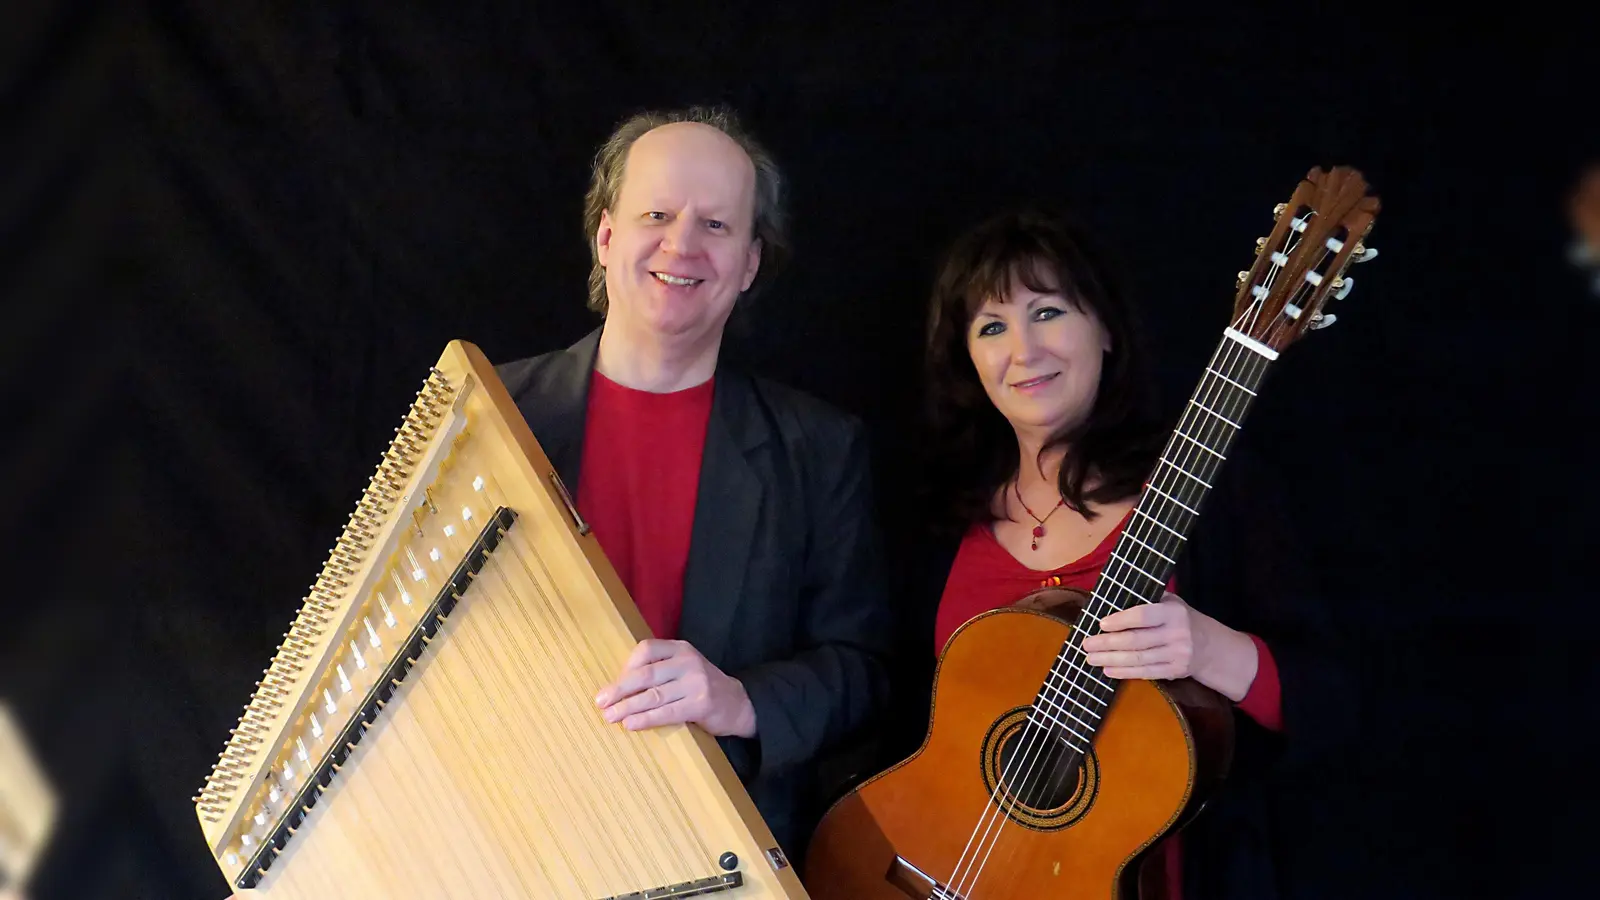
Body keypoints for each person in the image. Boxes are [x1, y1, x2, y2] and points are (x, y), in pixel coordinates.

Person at [889, 208, 1353, 900]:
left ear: (1105, 329)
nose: (1023, 350)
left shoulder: (1211, 490)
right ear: (969, 363)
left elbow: (1339, 708)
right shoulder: (937, 532)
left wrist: (1209, 649)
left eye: (1047, 313)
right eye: (992, 327)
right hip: (959, 875)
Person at [493, 106, 894, 860]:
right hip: (504, 831)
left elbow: (863, 671)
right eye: (657, 213)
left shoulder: (819, 447)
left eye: (716, 225)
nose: (682, 243)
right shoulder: (492, 413)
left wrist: (738, 701)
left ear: (748, 264)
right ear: (606, 237)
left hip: (709, 849)